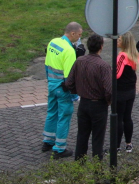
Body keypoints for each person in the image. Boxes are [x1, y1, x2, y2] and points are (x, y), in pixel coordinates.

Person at [66, 33, 112, 161]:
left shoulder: (79, 61)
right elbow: (109, 90)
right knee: (97, 140)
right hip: (99, 105)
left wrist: (79, 91)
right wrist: (108, 101)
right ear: (101, 46)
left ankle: (79, 169)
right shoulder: (103, 66)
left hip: (83, 104)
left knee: (82, 137)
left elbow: (69, 82)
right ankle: (97, 173)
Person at [42, 22, 82, 159]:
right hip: (61, 88)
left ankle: (47, 141)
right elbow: (70, 77)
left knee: (51, 112)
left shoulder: (53, 42)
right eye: (79, 35)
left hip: (51, 85)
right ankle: (59, 148)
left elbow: (47, 65)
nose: (79, 38)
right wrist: (75, 95)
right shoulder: (69, 51)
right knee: (64, 116)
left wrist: (49, 81)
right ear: (72, 33)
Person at [115, 32, 139, 153]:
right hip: (131, 90)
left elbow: (116, 74)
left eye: (119, 39)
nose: (117, 41)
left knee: (118, 118)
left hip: (120, 91)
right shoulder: (135, 55)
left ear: (124, 42)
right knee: (127, 117)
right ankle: (128, 143)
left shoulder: (122, 56)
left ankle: (116, 146)